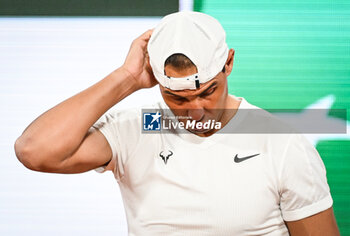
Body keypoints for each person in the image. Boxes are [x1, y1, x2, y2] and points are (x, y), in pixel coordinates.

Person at [14, 11, 340, 235]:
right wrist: (126, 78)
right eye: (178, 99)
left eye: (208, 92)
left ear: (228, 63)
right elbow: (35, 150)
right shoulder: (142, 127)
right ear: (157, 81)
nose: (195, 111)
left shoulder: (279, 141)